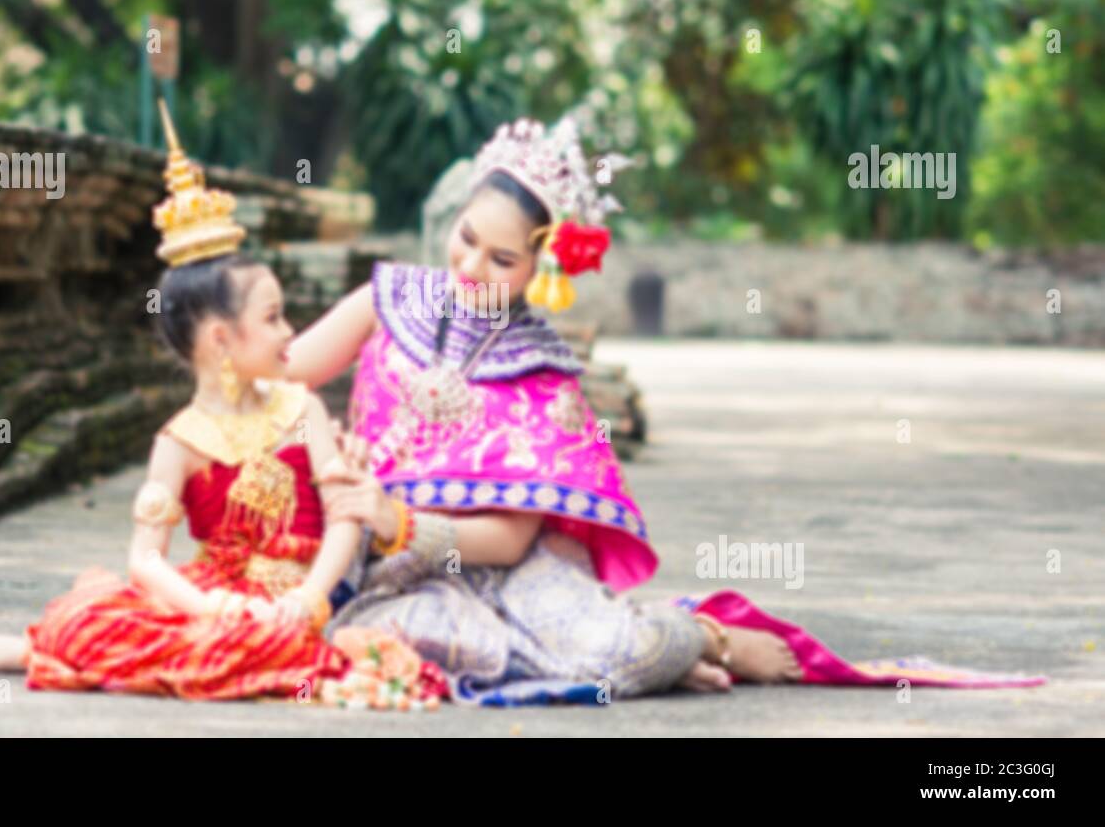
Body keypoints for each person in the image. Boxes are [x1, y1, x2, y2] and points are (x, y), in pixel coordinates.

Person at [291, 117, 1045, 705]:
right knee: (372, 642)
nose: (470, 267)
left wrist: (398, 518)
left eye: (502, 259)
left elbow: (512, 539)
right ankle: (664, 649)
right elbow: (281, 378)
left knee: (612, 658)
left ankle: (704, 638)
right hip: (383, 564)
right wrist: (333, 464)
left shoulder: (542, 374)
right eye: (466, 239)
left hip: (494, 567)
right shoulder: (385, 299)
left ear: (541, 268)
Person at [0, 103, 442, 707]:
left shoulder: (301, 408)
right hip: (215, 597)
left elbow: (344, 519)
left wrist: (309, 596)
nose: (291, 332)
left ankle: (87, 655)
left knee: (278, 655)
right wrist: (216, 606)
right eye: (272, 318)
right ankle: (42, 649)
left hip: (299, 600)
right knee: (101, 615)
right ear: (220, 341)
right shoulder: (178, 443)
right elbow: (146, 561)